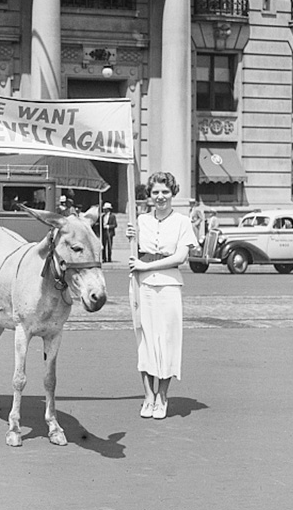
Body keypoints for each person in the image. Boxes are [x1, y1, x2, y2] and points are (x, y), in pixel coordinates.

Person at [126, 172, 198, 421]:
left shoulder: (182, 222)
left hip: (168, 285)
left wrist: (146, 266)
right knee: (144, 338)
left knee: (167, 340)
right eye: (155, 192)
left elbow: (180, 257)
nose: (160, 197)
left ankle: (162, 396)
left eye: (165, 192)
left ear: (173, 193)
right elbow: (135, 255)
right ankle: (148, 396)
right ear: (150, 194)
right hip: (142, 286)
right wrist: (131, 239)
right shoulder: (141, 221)